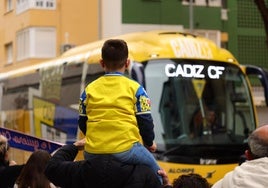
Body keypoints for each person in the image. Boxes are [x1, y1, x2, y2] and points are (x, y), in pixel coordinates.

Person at [78, 39, 162, 183]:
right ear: (127, 63)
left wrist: (96, 138)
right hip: (126, 150)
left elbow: (82, 122)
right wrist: (149, 143)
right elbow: (145, 121)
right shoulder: (136, 89)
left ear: (102, 63)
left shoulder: (88, 90)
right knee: (159, 175)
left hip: (93, 152)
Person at [45, 138, 172, 188]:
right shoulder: (144, 173)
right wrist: (166, 185)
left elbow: (52, 168)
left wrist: (74, 146)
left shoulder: (82, 170)